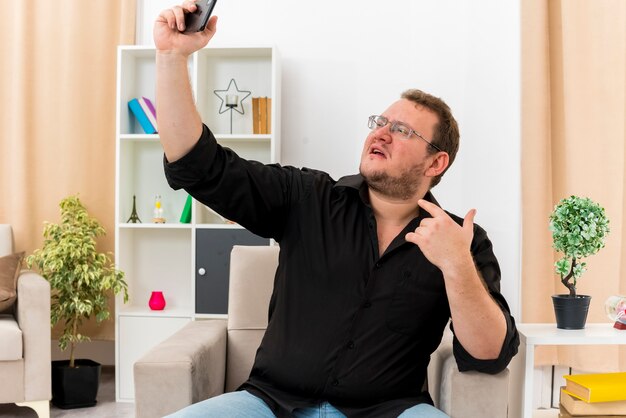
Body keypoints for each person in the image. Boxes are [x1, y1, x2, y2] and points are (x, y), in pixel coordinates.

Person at [154, 3, 519, 417]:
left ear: (436, 162)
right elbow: (199, 167)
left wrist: (456, 265)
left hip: (390, 410)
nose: (381, 133)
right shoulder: (307, 197)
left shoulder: (460, 239)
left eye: (401, 130)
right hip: (271, 405)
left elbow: (489, 355)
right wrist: (171, 57)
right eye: (379, 122)